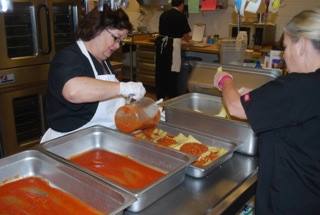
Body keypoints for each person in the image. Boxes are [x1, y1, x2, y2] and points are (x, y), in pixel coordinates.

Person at [214, 9, 320, 215]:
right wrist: (261, 98)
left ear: (303, 44)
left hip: (289, 200)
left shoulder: (299, 86)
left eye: (286, 47)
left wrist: (225, 81)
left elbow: (236, 107)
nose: (284, 56)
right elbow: (294, 111)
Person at [41, 6, 146, 142]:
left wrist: (137, 109)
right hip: (70, 143)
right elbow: (73, 91)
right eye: (116, 38)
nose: (117, 46)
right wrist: (123, 88)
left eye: (121, 41)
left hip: (100, 139)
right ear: (97, 28)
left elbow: (109, 100)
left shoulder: (104, 62)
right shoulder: (68, 57)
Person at [155, 0, 191, 99]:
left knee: (161, 71)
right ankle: (172, 97)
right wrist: (189, 39)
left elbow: (162, 31)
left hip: (161, 45)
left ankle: (160, 96)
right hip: (173, 46)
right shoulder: (181, 16)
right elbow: (186, 35)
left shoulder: (163, 14)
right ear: (182, 4)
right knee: (173, 72)